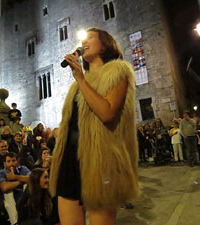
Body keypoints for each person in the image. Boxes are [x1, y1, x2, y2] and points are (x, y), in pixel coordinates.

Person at [50, 28, 139, 225]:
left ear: (105, 44)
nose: (84, 42)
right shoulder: (77, 84)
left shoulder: (118, 71)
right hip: (70, 160)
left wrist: (81, 79)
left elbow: (107, 113)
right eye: (83, 39)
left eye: (90, 37)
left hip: (100, 160)